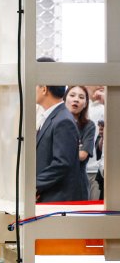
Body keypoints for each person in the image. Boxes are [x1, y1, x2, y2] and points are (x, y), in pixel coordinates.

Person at [35, 58, 85, 202]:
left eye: (34, 85)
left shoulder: (63, 120)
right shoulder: (52, 116)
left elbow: (62, 163)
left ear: (44, 89)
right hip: (49, 195)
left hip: (57, 199)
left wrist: (35, 186)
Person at [65, 85, 95, 200]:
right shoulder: (55, 123)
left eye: (81, 97)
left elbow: (82, 155)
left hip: (78, 182)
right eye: (72, 95)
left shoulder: (88, 126)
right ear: (64, 99)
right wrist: (75, 150)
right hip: (57, 183)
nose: (76, 99)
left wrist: (60, 154)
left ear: (86, 103)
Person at [85, 85, 105, 200]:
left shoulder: (108, 106)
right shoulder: (81, 105)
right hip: (79, 169)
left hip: (97, 170)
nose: (100, 84)